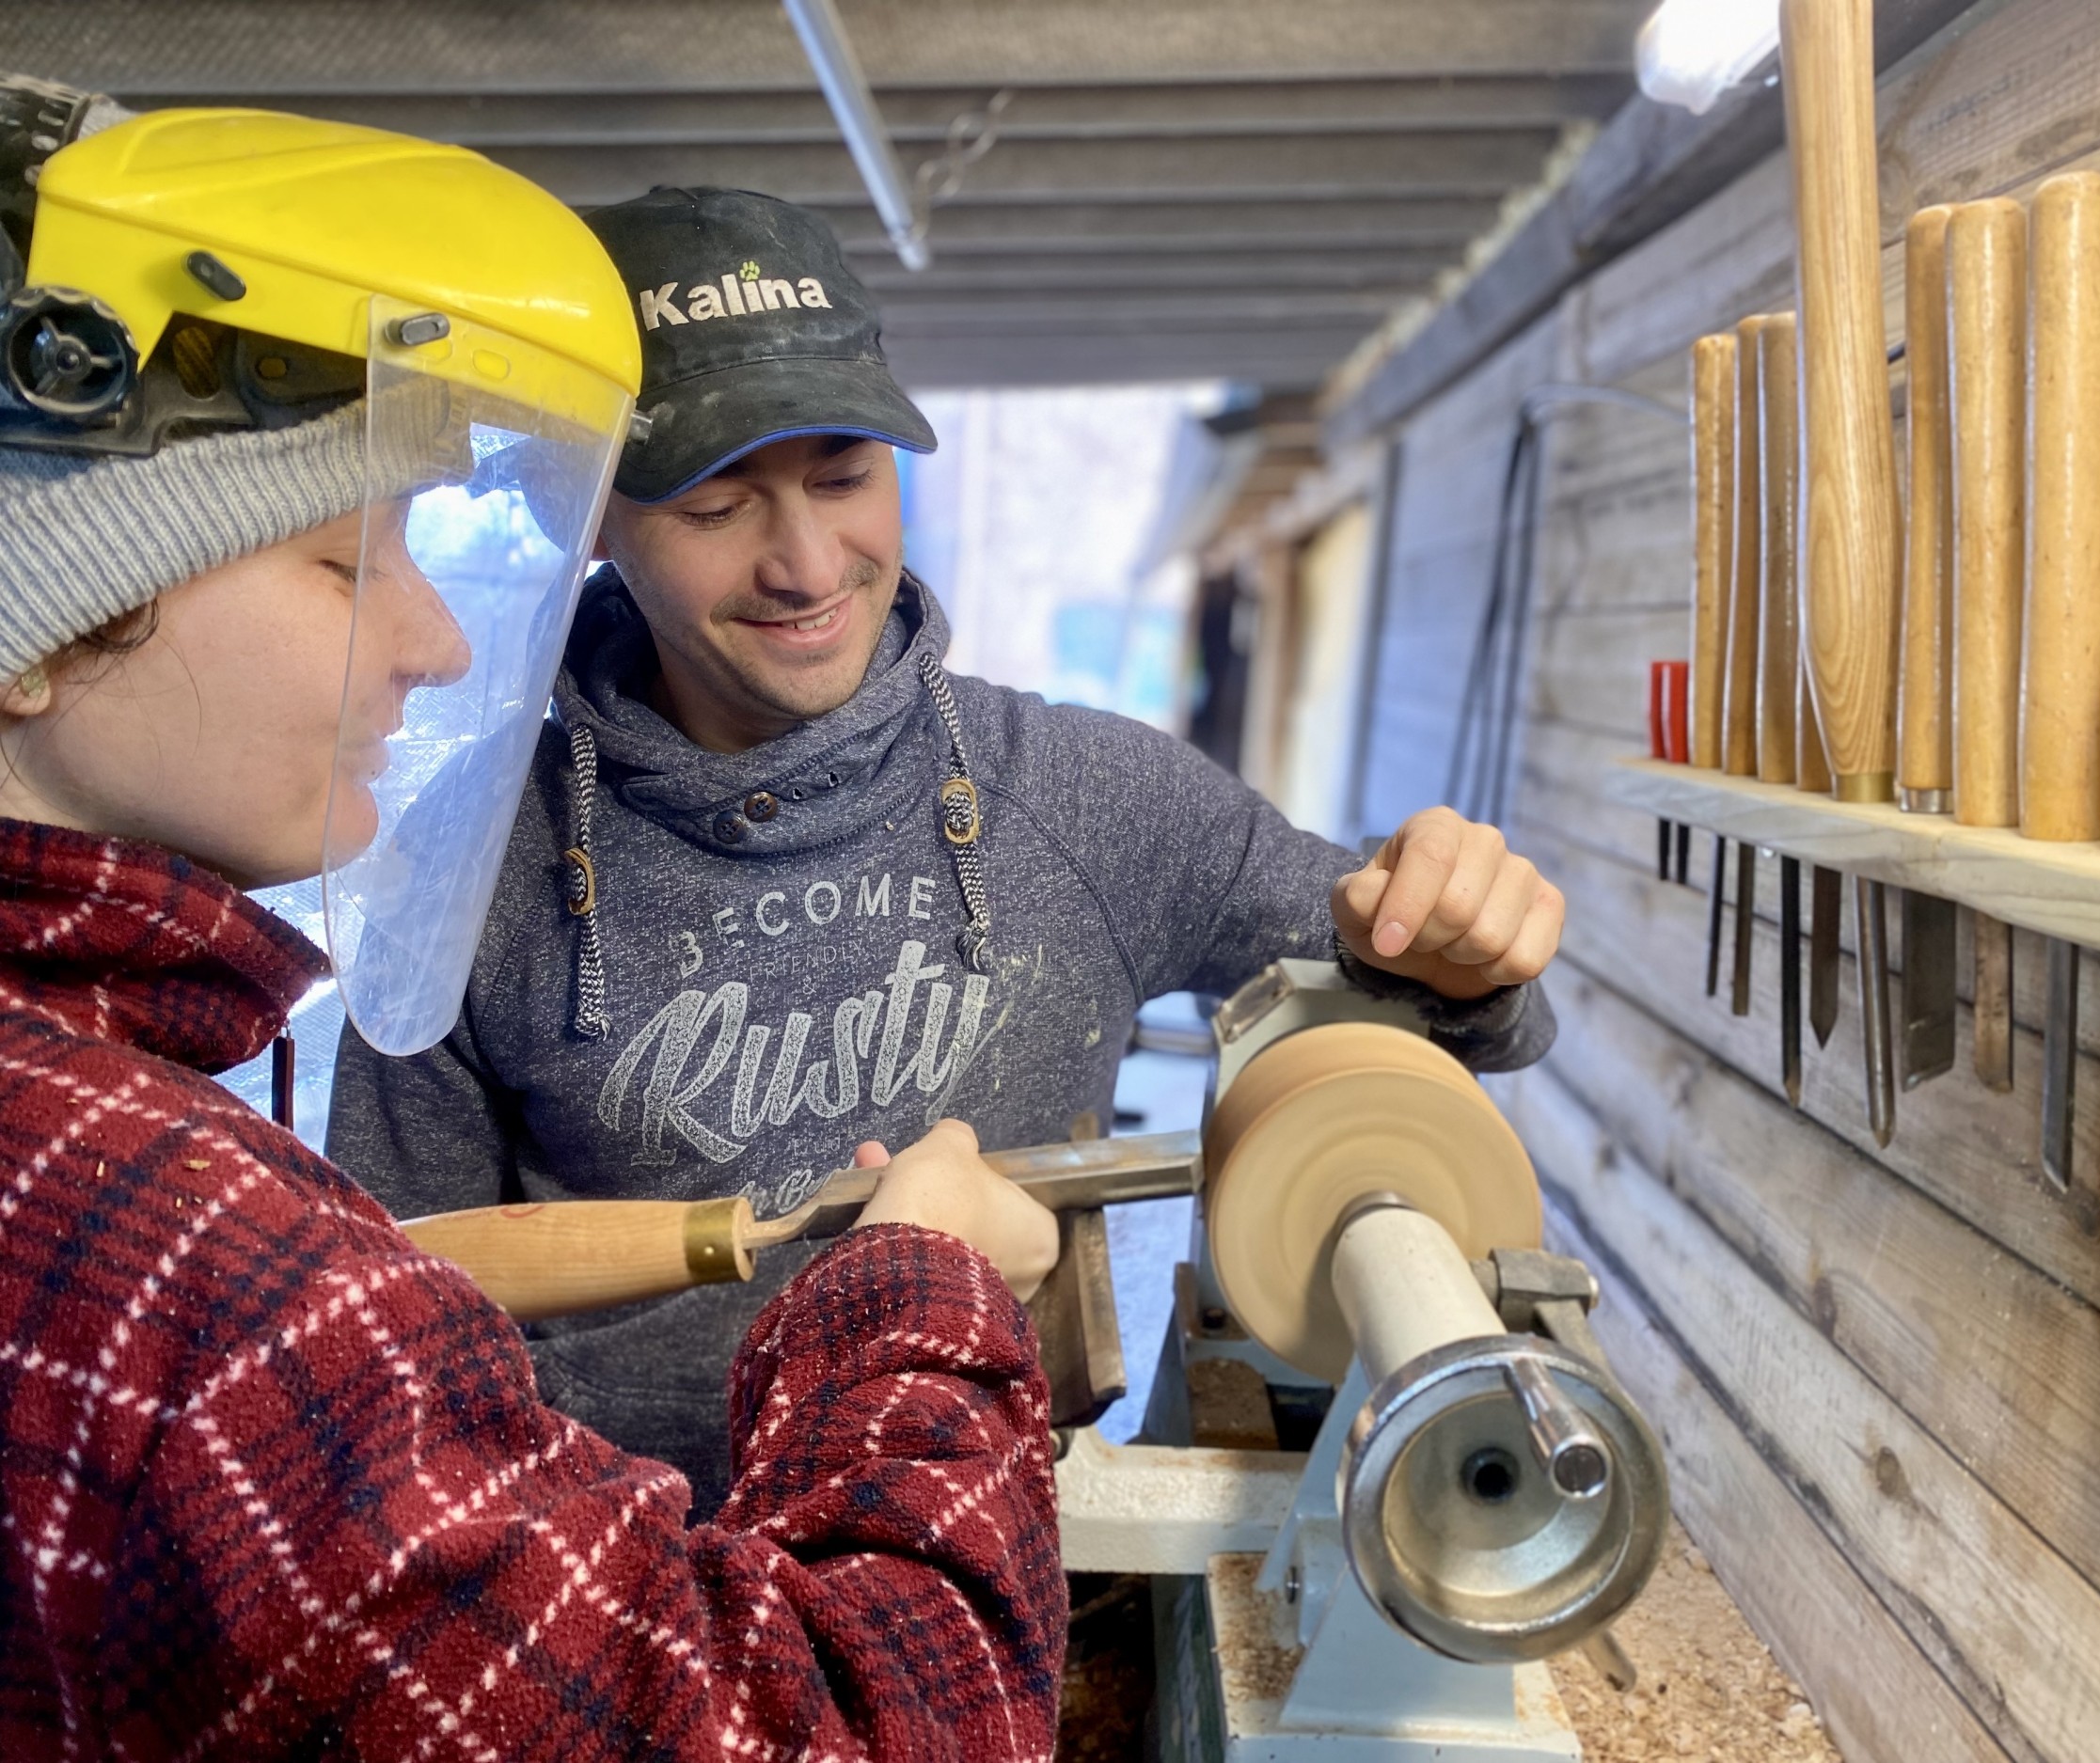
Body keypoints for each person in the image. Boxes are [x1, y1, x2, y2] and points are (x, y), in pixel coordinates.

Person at [0, 84, 1064, 1760]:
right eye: (351, 565)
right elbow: (846, 1731)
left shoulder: (110, 1143)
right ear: (40, 620)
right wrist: (918, 1299)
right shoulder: (208, 1269)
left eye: (841, 475)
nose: (432, 644)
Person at [327, 185, 1570, 1515]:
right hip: (641, 1594)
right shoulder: (470, 869)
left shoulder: (1090, 795)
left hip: (1005, 1562)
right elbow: (392, 1323)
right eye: (715, 505)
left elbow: (1440, 1008)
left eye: (845, 476)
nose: (807, 563)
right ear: (594, 518)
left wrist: (1464, 941)